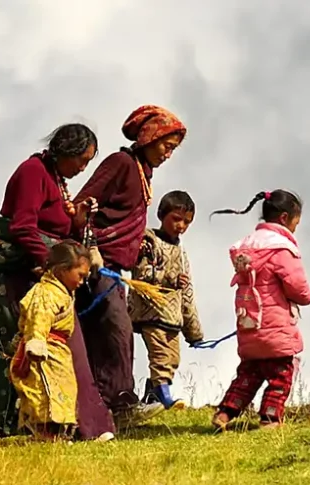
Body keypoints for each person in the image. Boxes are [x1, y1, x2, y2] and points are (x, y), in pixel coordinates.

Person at [0, 123, 115, 442]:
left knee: (66, 344)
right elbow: (23, 227)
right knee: (3, 354)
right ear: (66, 151)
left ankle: (84, 425)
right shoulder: (32, 172)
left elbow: (56, 228)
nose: (83, 168)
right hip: (19, 278)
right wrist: (48, 263)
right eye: (82, 160)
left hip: (42, 276)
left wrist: (76, 218)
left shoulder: (56, 180)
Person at [74, 105, 188, 427]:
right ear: (150, 137)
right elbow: (82, 205)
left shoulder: (142, 172)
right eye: (167, 145)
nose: (168, 154)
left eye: (173, 149)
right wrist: (91, 247)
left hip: (114, 269)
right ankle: (121, 405)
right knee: (117, 329)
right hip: (97, 265)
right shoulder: (121, 163)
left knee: (102, 334)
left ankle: (98, 408)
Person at [210, 190, 310, 431]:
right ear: (285, 218)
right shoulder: (282, 249)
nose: (296, 228)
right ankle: (269, 418)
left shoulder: (246, 248)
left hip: (249, 326)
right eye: (296, 222)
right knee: (280, 376)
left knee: (248, 375)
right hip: (276, 328)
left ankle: (224, 414)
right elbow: (299, 289)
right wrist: (306, 297)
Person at [128, 191, 204, 410]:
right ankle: (165, 396)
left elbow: (186, 295)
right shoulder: (149, 240)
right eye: (176, 219)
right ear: (162, 215)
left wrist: (194, 333)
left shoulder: (181, 253)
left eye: (187, 222)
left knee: (172, 358)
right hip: (150, 311)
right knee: (161, 356)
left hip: (173, 317)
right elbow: (141, 274)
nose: (181, 225)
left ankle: (152, 396)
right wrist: (170, 278)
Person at [10, 241, 91, 441]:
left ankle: (58, 433)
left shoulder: (62, 292)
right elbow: (38, 317)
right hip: (43, 354)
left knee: (64, 389)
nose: (81, 282)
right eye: (80, 276)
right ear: (63, 270)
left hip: (59, 352)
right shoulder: (45, 293)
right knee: (44, 392)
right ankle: (44, 433)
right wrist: (36, 342)